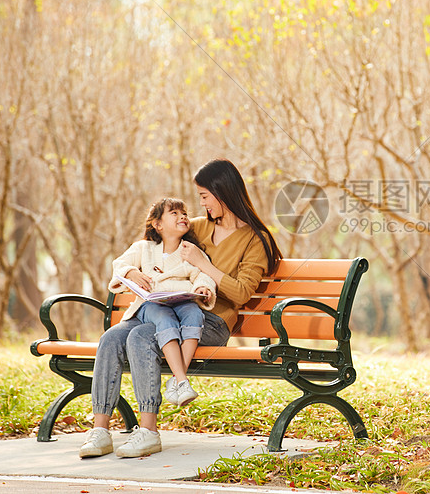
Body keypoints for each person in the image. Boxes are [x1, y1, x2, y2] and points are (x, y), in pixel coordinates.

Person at [79, 159, 282, 459]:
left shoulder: (255, 239)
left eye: (204, 196)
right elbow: (151, 248)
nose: (200, 204)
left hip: (209, 320)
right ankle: (100, 430)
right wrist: (132, 273)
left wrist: (204, 265)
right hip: (163, 311)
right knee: (110, 338)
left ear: (221, 192)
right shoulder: (198, 226)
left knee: (140, 338)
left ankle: (148, 431)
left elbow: (240, 294)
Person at [107, 198, 214, 409]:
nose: (182, 216)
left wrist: (203, 288)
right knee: (164, 318)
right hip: (153, 304)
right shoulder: (144, 248)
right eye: (174, 213)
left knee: (195, 314)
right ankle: (182, 380)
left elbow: (204, 274)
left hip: (182, 301)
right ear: (158, 224)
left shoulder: (190, 251)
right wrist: (131, 271)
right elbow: (119, 264)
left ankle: (177, 379)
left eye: (184, 212)